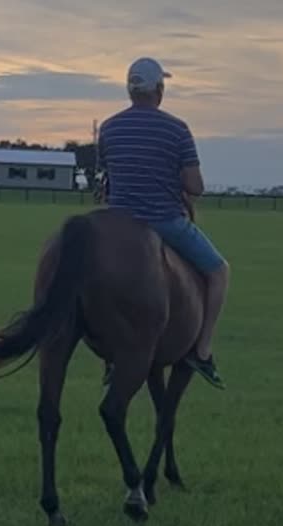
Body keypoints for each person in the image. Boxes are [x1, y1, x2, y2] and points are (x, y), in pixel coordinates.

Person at [95, 57, 229, 390]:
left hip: (119, 223)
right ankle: (202, 348)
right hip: (164, 220)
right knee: (219, 270)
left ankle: (114, 356)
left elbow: (107, 179)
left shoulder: (109, 128)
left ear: (130, 90)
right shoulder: (176, 129)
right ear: (159, 89)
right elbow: (195, 186)